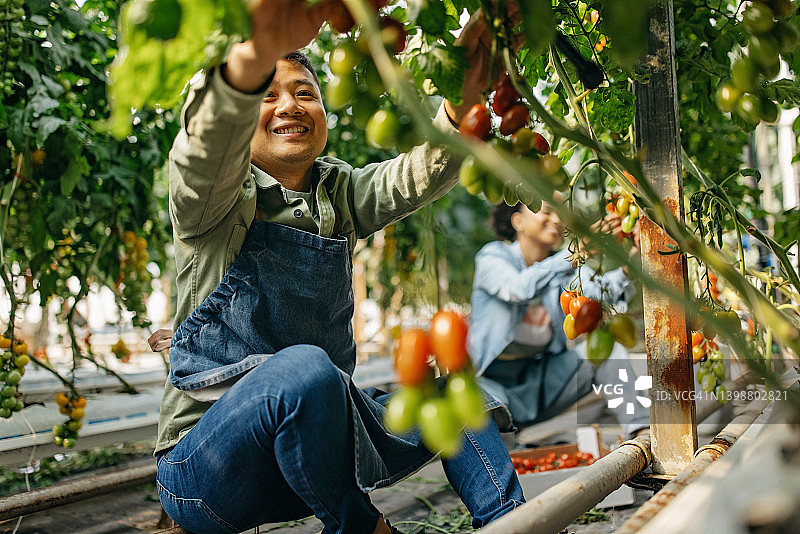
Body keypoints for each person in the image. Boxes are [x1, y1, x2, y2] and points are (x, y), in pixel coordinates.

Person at [152, 2, 524, 533]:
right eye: (268, 95)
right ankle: (364, 527)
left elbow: (416, 175)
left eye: (305, 93)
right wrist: (250, 56)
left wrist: (463, 99)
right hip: (208, 471)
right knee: (305, 369)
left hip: (313, 458)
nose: (289, 105)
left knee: (457, 397)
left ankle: (516, 523)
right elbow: (203, 148)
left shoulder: (339, 193)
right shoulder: (213, 201)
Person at [467, 201, 650, 439]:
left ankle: (641, 432)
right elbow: (518, 288)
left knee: (609, 352)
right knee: (493, 426)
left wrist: (629, 268)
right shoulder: (493, 256)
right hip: (491, 386)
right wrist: (575, 254)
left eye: (559, 213)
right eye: (546, 212)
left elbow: (599, 292)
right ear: (518, 221)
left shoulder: (565, 269)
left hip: (541, 383)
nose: (556, 219)